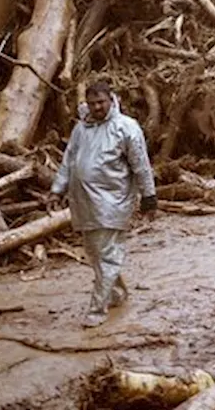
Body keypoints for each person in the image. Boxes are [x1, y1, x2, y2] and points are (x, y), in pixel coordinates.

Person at [50, 81, 157, 328]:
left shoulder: (126, 128)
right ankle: (117, 293)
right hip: (84, 203)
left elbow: (141, 165)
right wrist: (57, 190)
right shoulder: (81, 128)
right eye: (92, 103)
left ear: (112, 100)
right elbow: (69, 161)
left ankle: (97, 310)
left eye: (101, 102)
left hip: (113, 202)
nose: (97, 107)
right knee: (96, 254)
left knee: (106, 254)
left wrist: (149, 197)